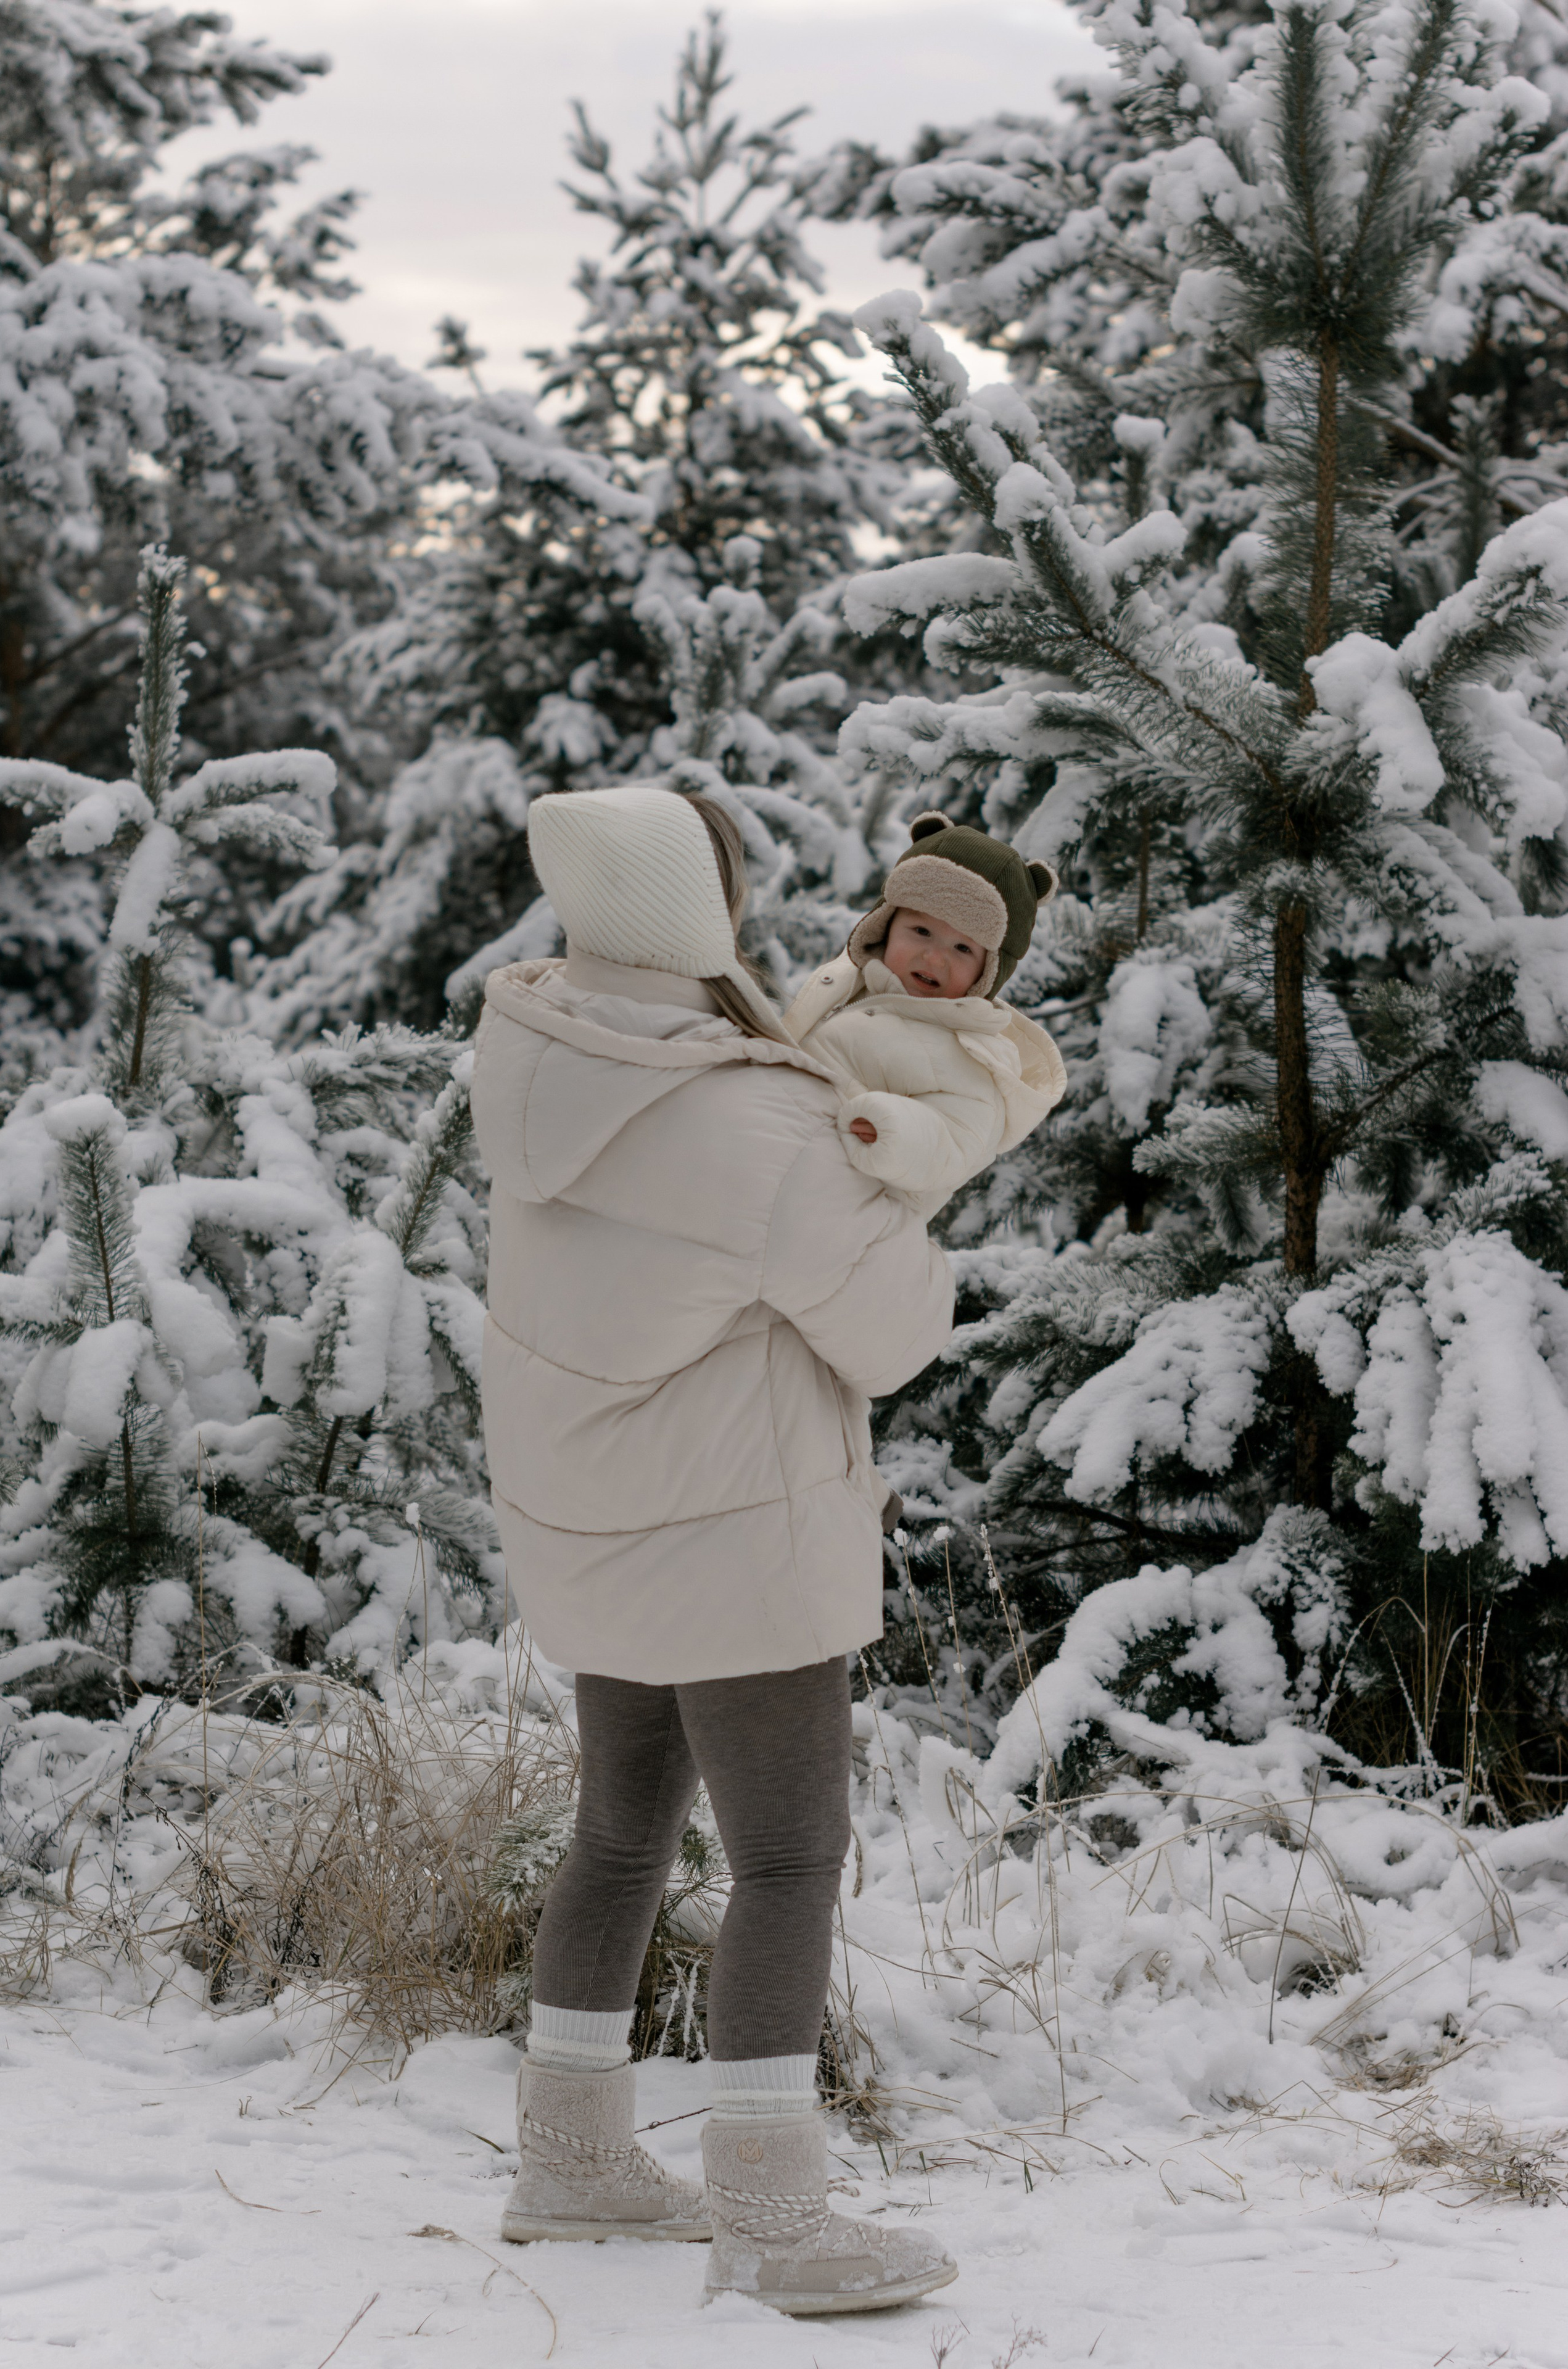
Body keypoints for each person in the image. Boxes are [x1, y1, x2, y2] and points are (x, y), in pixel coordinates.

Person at [469, 783, 959, 2316]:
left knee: (621, 1831)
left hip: (590, 1521)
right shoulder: (748, 1112)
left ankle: (567, 2156)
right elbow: (894, 1330)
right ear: (706, 909)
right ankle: (774, 2214)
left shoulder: (540, 1048)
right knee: (789, 1854)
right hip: (731, 1532)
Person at [785, 811, 1067, 1218]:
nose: (935, 957)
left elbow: (955, 1142)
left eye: (963, 949)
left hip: (845, 1214)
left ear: (988, 974)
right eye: (921, 931)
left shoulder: (975, 1056)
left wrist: (893, 1130)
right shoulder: (844, 986)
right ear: (886, 923)